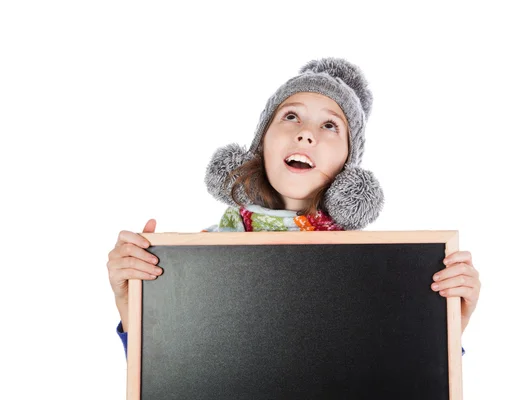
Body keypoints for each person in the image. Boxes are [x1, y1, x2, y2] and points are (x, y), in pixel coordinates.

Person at [106, 57, 481, 359]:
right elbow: (176, 376)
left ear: (349, 164)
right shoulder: (199, 261)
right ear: (261, 143)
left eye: (330, 125)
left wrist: (446, 327)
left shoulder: (382, 275)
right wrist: (133, 304)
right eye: (290, 116)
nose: (305, 133)